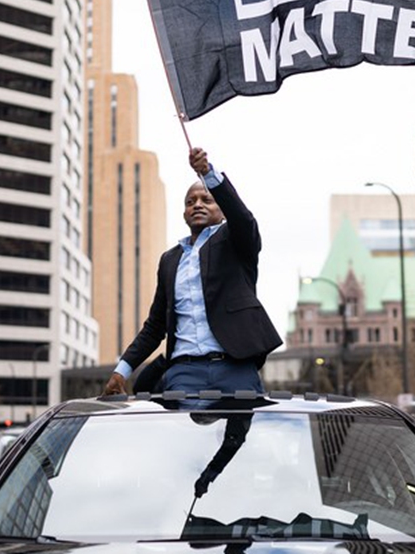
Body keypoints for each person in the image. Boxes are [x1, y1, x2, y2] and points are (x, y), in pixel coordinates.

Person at [103, 148, 282, 395]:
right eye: (190, 202)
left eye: (206, 199)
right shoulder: (169, 260)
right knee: (179, 432)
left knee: (239, 434)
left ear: (222, 210)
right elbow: (155, 326)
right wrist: (121, 371)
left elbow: (242, 219)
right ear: (184, 214)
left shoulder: (235, 240)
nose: (197, 205)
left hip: (235, 366)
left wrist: (208, 173)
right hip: (184, 371)